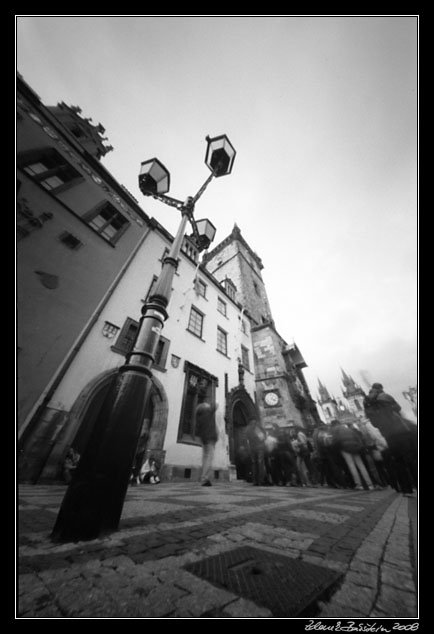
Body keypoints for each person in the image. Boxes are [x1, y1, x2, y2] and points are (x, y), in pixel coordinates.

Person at [364, 383, 417, 494]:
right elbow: (398, 408)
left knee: (398, 461)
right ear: (380, 388)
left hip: (388, 434)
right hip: (401, 430)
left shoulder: (367, 403)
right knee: (411, 458)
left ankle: (406, 489)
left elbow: (374, 423)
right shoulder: (384, 396)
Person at [329, 420, 374, 491]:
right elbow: (356, 437)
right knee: (361, 465)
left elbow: (335, 440)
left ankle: (359, 485)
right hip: (355, 447)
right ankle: (370, 484)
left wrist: (335, 447)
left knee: (351, 466)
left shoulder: (335, 430)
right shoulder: (347, 429)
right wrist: (359, 446)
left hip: (345, 448)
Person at [195, 398, 218, 486]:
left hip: (204, 438)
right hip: (210, 437)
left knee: (205, 458)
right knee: (209, 458)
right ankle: (205, 478)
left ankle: (203, 477)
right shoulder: (208, 412)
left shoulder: (199, 415)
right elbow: (215, 406)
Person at [245, 417, 267, 486]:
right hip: (259, 447)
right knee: (260, 463)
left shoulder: (247, 429)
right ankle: (261, 480)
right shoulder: (256, 427)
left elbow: (247, 439)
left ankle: (255, 481)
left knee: (254, 464)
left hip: (252, 448)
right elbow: (262, 437)